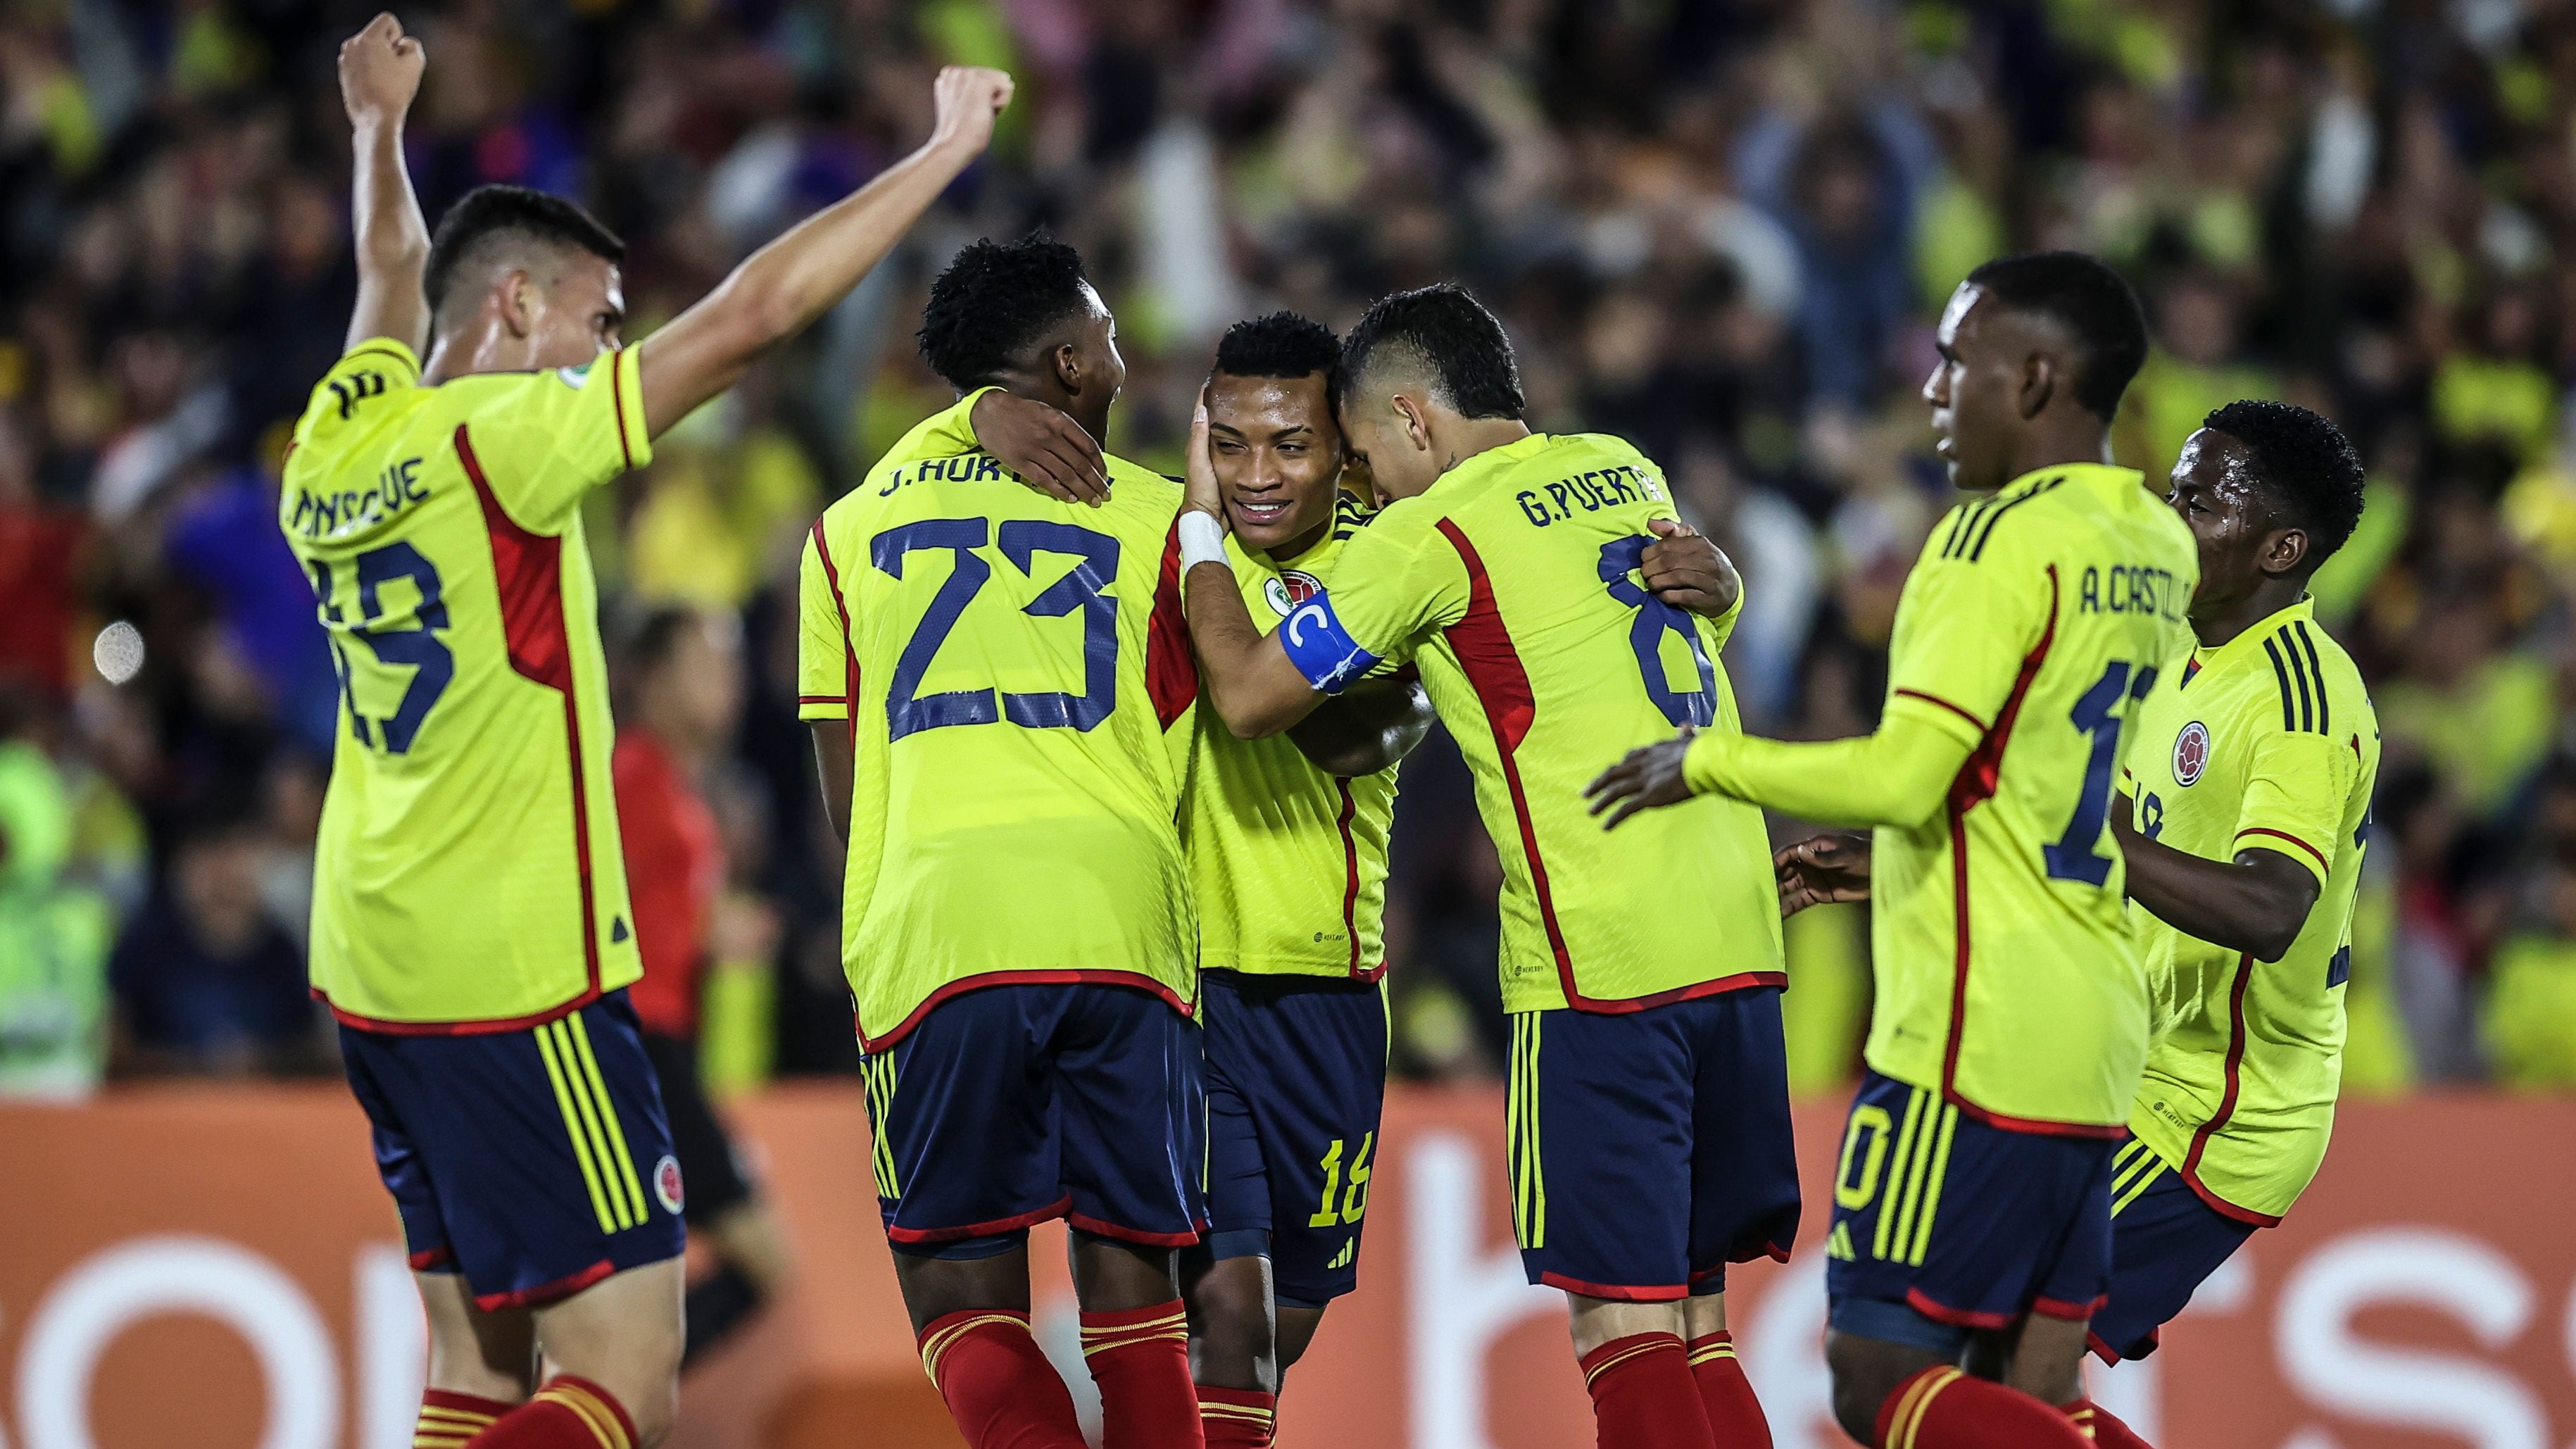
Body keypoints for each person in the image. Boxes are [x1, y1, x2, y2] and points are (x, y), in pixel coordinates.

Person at [285, 18, 1012, 1447]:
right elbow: (748, 321)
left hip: (372, 959)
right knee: (625, 1367)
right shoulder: (510, 443)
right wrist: (942, 152)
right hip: (514, 970)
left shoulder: (338, 441)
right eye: (598, 320)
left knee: (482, 1365)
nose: (609, 348)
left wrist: (377, 127)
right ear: (509, 316)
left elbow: (386, 277)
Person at [1588, 251, 2198, 1448]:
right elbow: (2026, 785)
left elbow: (1902, 772)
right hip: (2092, 1031)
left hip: (1972, 1037)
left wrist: (1705, 760)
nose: (1929, 389)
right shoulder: (2154, 543)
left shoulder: (1982, 545)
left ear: (2032, 377)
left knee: (1874, 1376)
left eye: (1954, 360)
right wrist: (1899, 862)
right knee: (2034, 1396)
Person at [1175, 282, 1795, 1449]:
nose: (1361, 487)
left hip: (1599, 959)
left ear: (1412, 419)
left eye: (1359, 454)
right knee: (1696, 1318)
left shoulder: (1434, 531)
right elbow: (1674, 607)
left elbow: (1253, 696)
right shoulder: (1624, 467)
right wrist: (1735, 585)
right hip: (1737, 934)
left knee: (1619, 1326)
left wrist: (1201, 531)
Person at [1757, 401, 2380, 1449]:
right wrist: (1900, 863)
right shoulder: (2166, 657)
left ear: (2280, 546)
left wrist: (2091, 831)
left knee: (1946, 1361)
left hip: (2214, 1110)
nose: (2164, 512)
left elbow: (2268, 908)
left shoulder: (2302, 700)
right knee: (2016, 1388)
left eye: (2198, 497)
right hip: (2121, 1065)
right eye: (2169, 487)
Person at [797, 234, 1207, 1449]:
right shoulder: (1160, 526)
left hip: (942, 932)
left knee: (956, 1297)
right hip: (1118, 924)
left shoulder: (844, 530)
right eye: (1112, 340)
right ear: (1071, 361)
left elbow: (844, 797)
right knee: (1135, 1295)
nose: (1127, 361)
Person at [1177, 311, 1435, 1446]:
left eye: (1287, 444)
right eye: (1228, 444)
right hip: (1184, 986)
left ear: (1343, 447)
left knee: (1289, 1314)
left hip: (1328, 990)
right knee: (1224, 1312)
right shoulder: (1169, 544)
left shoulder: (1394, 568)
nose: (1255, 475)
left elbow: (1351, 739)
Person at [611, 605, 791, 1369]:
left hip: (662, 1052)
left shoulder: (681, 789)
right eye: (705, 665)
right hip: (637, 1051)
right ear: (652, 679)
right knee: (762, 1261)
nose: (729, 684)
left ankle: (607, 1390)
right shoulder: (628, 779)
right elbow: (586, 912)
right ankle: (611, 1393)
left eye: (732, 666)